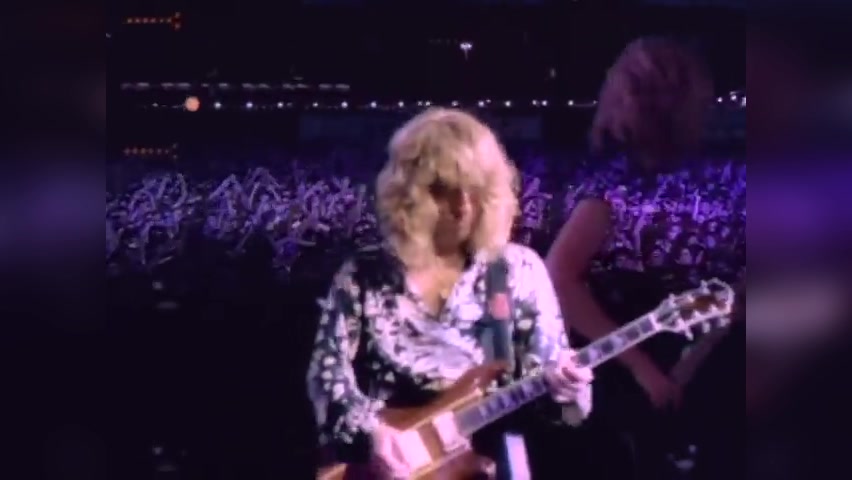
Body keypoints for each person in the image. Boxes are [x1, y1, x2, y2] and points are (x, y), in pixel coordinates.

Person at [306, 107, 593, 479]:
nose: (463, 207)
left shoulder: (517, 271)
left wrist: (568, 389)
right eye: (443, 191)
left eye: (474, 190)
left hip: (491, 464)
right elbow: (326, 376)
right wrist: (374, 433)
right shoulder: (364, 274)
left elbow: (557, 402)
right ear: (407, 195)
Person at [545, 37, 742, 479]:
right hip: (629, 378)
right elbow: (560, 278)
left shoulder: (679, 176)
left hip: (681, 369)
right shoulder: (617, 184)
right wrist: (646, 370)